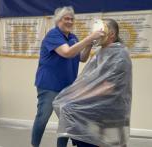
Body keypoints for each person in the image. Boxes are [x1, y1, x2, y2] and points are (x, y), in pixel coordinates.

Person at [31, 6, 105, 147]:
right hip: (49, 86)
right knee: (43, 117)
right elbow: (67, 53)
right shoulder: (53, 35)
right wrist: (89, 38)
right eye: (66, 18)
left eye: (72, 19)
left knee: (66, 122)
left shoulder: (72, 37)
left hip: (67, 87)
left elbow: (82, 58)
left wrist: (89, 43)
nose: (70, 21)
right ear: (58, 20)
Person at [53, 19, 132, 147]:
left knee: (70, 110)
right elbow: (88, 79)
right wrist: (75, 94)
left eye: (100, 31)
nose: (96, 34)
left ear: (111, 34)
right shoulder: (101, 53)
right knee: (64, 105)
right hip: (100, 98)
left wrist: (82, 97)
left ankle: (88, 143)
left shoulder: (119, 55)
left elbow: (109, 87)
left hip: (111, 102)